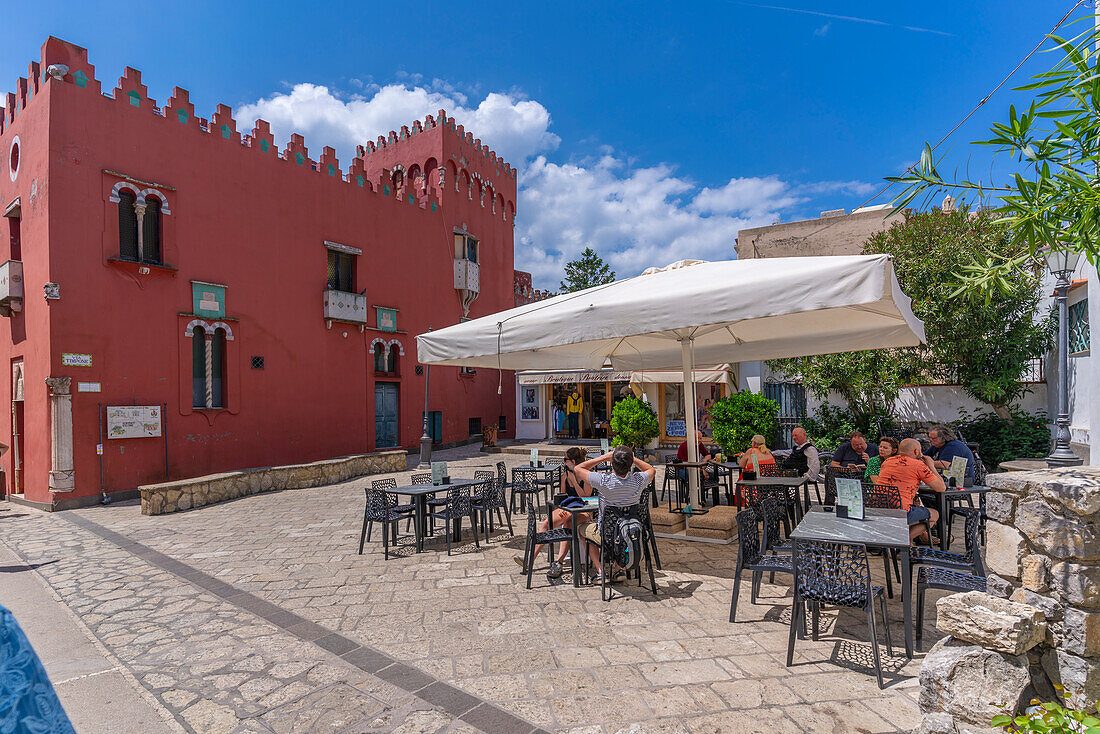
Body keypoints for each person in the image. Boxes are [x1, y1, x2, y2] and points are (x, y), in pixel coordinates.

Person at [572, 446, 656, 583]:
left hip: (607, 534)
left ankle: (601, 571)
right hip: (630, 531)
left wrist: (603, 457)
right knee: (620, 532)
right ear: (629, 464)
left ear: (612, 463)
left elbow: (577, 469)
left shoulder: (603, 481)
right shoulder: (638, 480)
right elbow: (651, 469)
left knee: (582, 529)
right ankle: (618, 570)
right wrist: (632, 459)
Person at [514, 447, 592, 578]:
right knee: (547, 523)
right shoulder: (565, 474)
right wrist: (562, 507)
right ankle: (530, 559)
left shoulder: (587, 473)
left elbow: (586, 498)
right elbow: (562, 495)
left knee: (568, 525)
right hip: (568, 508)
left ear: (572, 461)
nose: (563, 462)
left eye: (565, 459)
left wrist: (574, 482)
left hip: (584, 510)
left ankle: (559, 563)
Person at [875, 438, 946, 543]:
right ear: (916, 451)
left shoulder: (887, 461)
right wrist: (931, 466)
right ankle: (905, 541)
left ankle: (900, 542)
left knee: (915, 507)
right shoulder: (918, 465)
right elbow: (941, 488)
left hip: (878, 508)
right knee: (934, 514)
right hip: (900, 511)